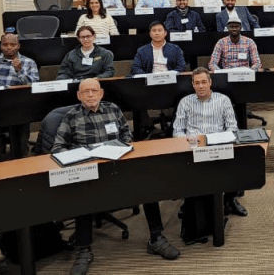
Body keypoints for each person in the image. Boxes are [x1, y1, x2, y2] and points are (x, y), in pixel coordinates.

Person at [53, 78, 180, 274]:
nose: (90, 95)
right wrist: (80, 158)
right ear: (78, 96)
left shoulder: (113, 109)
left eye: (94, 91)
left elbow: (126, 137)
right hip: (88, 172)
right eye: (85, 91)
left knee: (148, 185)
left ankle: (156, 238)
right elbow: (58, 147)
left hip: (117, 167)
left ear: (101, 93)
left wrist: (122, 150)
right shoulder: (71, 116)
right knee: (81, 195)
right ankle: (83, 250)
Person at [172, 68, 248, 228]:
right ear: (192, 84)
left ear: (210, 82)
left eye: (204, 82)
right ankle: (191, 202)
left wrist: (221, 141)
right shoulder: (185, 102)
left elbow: (233, 128)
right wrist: (188, 142)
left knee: (239, 162)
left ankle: (229, 200)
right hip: (193, 148)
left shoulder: (223, 100)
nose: (201, 86)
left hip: (217, 146)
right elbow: (177, 130)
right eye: (197, 83)